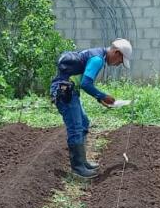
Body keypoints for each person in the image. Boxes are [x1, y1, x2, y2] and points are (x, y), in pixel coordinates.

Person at [50, 38, 133, 179]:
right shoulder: (97, 59)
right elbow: (86, 83)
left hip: (70, 91)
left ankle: (82, 162)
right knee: (76, 128)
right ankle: (77, 168)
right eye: (120, 61)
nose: (118, 64)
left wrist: (100, 99)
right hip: (64, 92)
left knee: (83, 123)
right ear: (117, 53)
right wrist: (103, 96)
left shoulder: (97, 54)